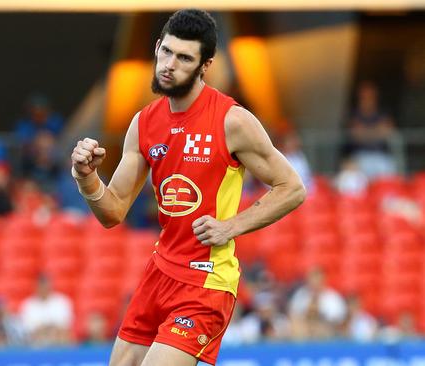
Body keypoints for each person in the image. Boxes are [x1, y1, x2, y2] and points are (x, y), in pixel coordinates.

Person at [70, 9, 305, 366]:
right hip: (160, 272)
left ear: (204, 65)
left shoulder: (232, 120)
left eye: (184, 58)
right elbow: (113, 212)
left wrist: (232, 226)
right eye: (166, 52)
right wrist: (86, 178)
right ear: (157, 46)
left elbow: (292, 187)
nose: (169, 64)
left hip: (206, 284)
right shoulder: (144, 123)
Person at [347, 81, 397, 178]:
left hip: (381, 156)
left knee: (389, 174)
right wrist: (377, 131)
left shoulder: (383, 113)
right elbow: (357, 134)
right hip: (360, 155)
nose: (367, 99)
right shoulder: (355, 114)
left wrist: (366, 133)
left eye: (370, 96)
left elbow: (388, 132)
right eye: (364, 96)